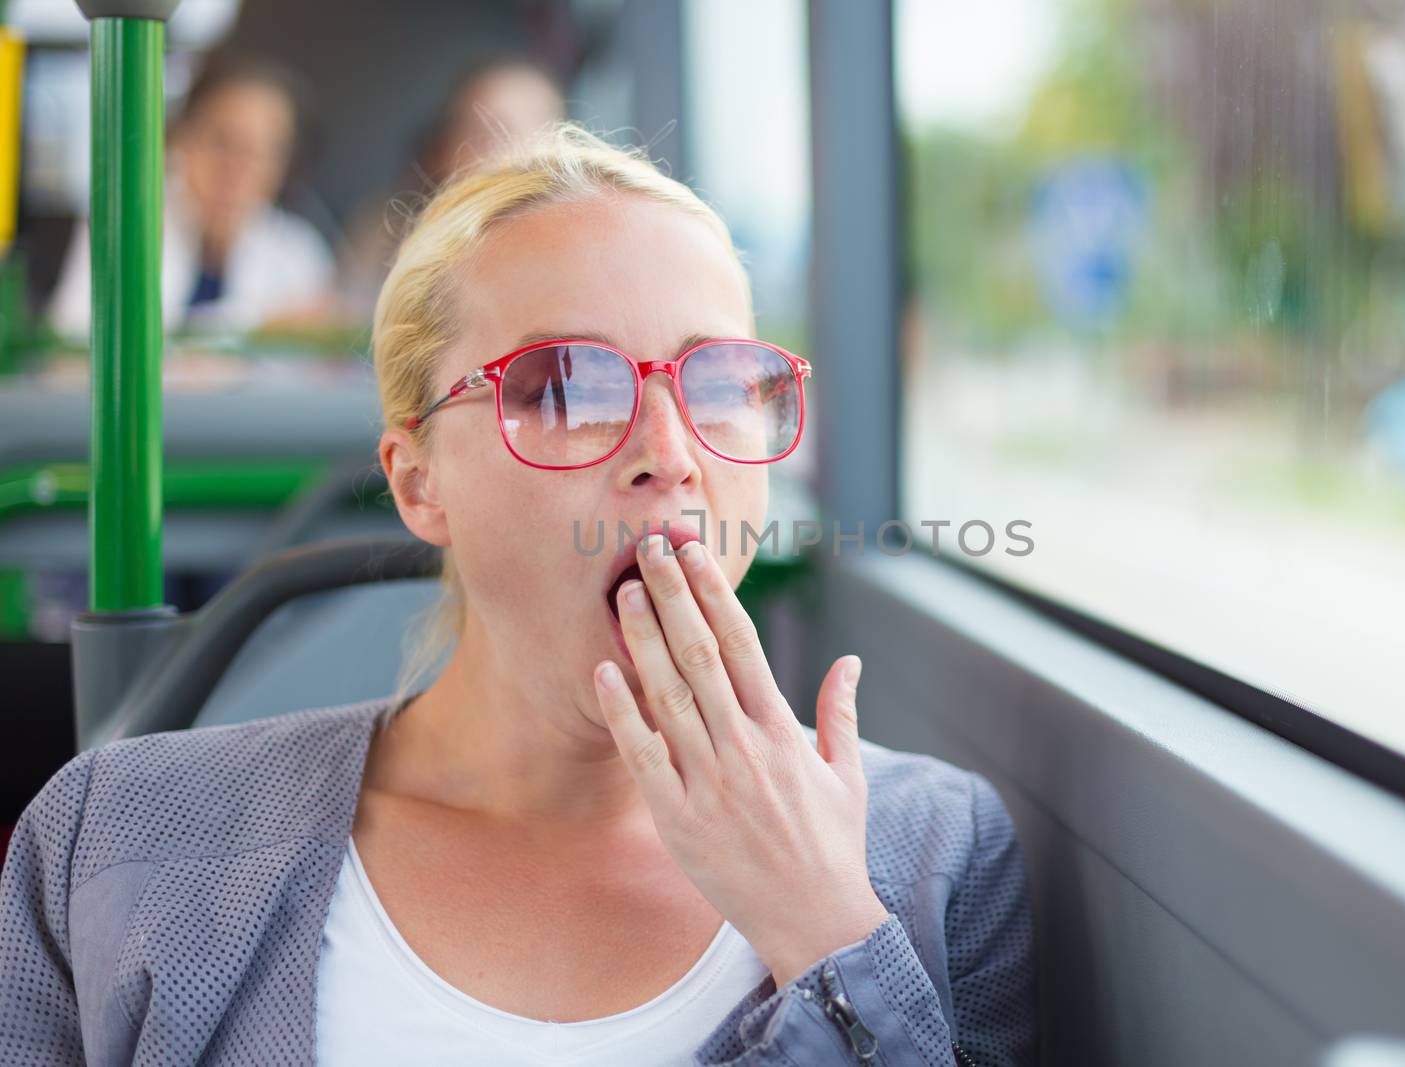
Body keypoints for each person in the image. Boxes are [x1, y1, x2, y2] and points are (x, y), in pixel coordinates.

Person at [0, 122, 1037, 1065]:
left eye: (719, 381)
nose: (670, 454)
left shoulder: (932, 858)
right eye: (567, 388)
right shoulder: (118, 843)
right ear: (419, 481)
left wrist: (824, 928)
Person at [46, 53, 336, 338]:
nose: (238, 169)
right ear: (179, 139)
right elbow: (79, 345)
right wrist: (260, 327)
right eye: (223, 142)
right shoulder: (123, 227)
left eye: (264, 152)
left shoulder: (299, 254)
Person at [336, 55, 566, 323]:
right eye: (476, 133)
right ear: (444, 146)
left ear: (558, 149)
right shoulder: (388, 228)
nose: (491, 155)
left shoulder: (575, 250)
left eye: (508, 132)